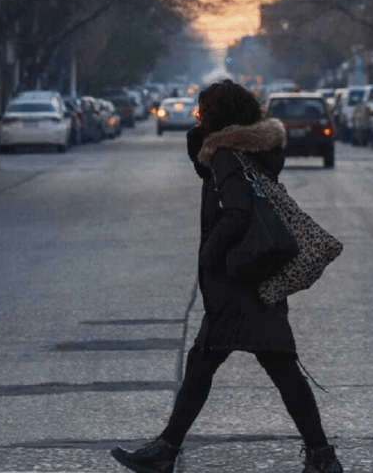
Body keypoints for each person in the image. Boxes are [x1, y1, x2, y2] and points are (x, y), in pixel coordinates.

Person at [110, 80, 343, 473]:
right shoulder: (250, 152)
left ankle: (167, 451)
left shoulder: (227, 156)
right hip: (254, 277)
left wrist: (210, 255)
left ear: (218, 115)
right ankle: (321, 456)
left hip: (238, 284)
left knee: (220, 364)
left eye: (204, 112)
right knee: (266, 365)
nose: (198, 117)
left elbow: (236, 214)